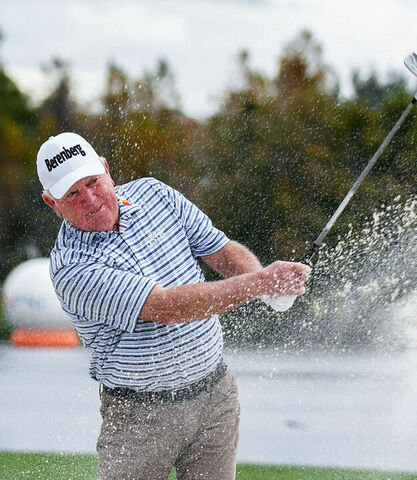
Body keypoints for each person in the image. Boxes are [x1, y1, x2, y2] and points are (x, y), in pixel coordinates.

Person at [37, 132, 311, 480]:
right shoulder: (72, 267)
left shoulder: (155, 194)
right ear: (52, 203)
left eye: (93, 182)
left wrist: (268, 286)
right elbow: (167, 308)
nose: (90, 199)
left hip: (216, 398)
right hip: (139, 418)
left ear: (107, 171)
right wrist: (260, 283)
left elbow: (220, 250)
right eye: (72, 193)